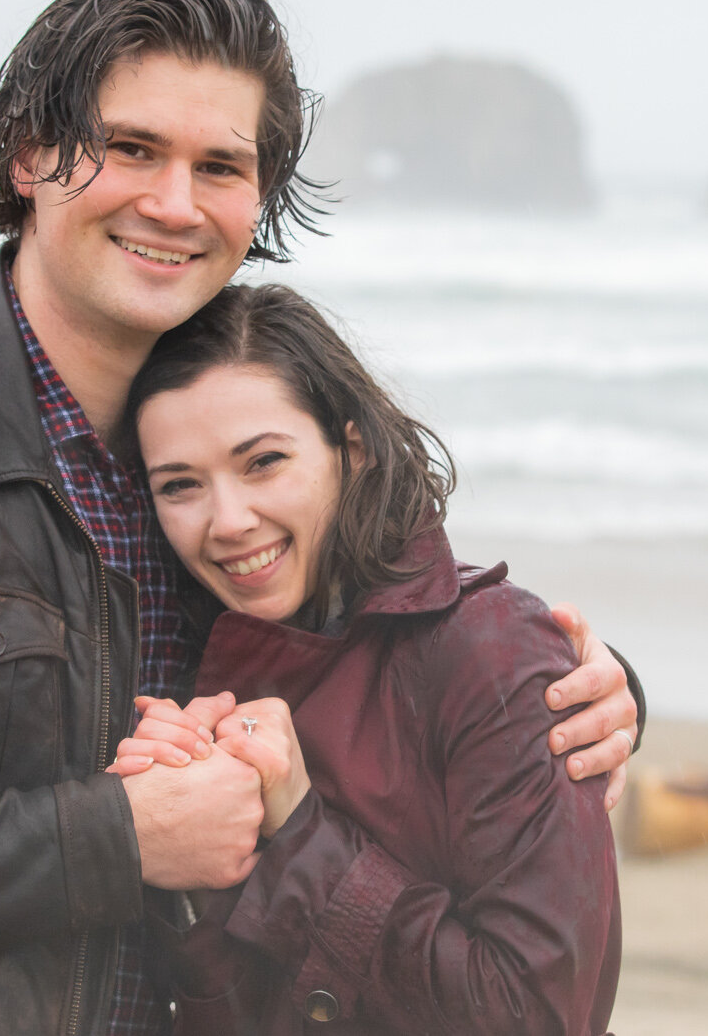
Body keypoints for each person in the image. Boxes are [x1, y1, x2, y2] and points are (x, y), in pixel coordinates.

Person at [0, 0, 642, 1035]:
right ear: (31, 153)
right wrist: (118, 838)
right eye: (131, 149)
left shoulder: (219, 459)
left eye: (218, 166)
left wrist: (572, 691)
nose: (174, 204)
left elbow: (391, 647)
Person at [113, 283, 620, 1035]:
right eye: (180, 485)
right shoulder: (187, 659)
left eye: (263, 462)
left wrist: (299, 830)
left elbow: (539, 1014)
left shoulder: (495, 650)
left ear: (351, 448)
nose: (226, 521)